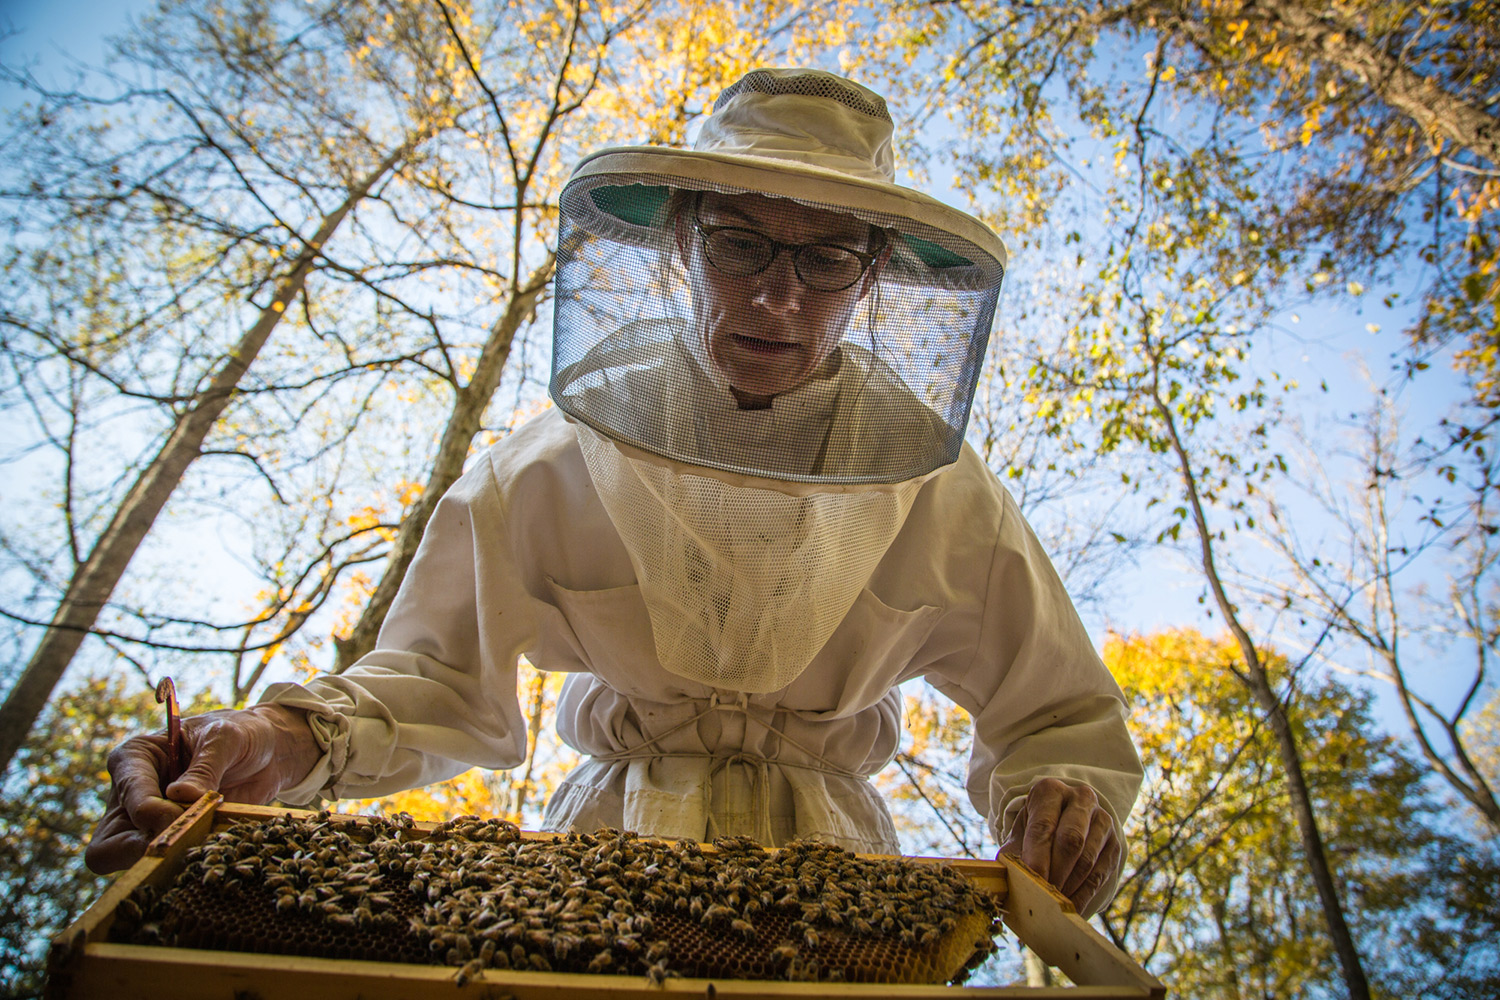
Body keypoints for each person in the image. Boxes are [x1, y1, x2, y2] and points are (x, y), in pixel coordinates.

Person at [87, 68, 1143, 917]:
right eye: (740, 243)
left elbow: (1052, 708)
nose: (779, 293)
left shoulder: (941, 488)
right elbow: (432, 673)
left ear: (872, 280)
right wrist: (275, 737)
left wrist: (1062, 803)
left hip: (843, 872)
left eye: (825, 261)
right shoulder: (547, 464)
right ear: (682, 243)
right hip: (601, 856)